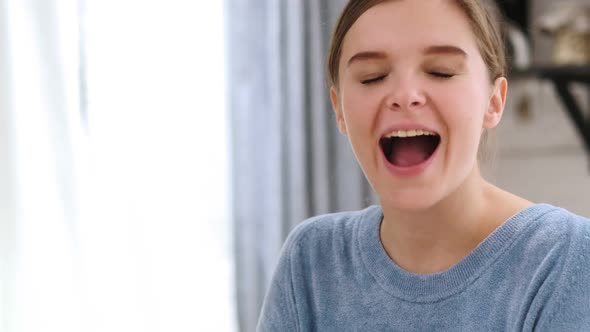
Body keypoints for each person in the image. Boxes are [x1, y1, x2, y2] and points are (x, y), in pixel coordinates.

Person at [257, 0, 590, 331]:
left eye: (440, 71)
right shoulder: (312, 260)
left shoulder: (566, 259)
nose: (405, 95)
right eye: (372, 77)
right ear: (339, 109)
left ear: (494, 100)